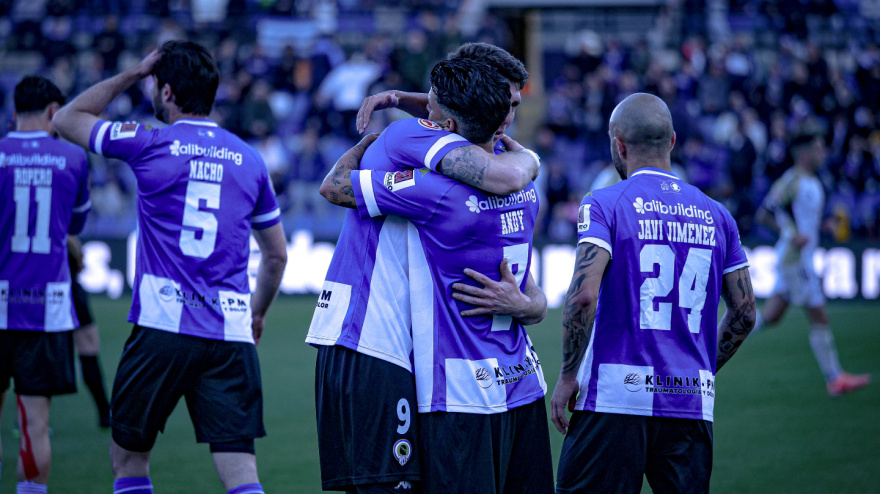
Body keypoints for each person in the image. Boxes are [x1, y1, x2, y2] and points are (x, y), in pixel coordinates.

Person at [52, 41, 288, 494]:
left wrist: (131, 74)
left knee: (129, 459)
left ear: (165, 91)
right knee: (240, 472)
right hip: (230, 334)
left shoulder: (150, 141)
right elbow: (276, 256)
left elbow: (65, 119)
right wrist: (256, 314)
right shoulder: (250, 159)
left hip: (162, 327)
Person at [307, 50, 543, 493]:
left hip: (407, 352)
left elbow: (333, 186)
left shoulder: (420, 162)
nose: (511, 115)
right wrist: (531, 160)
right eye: (507, 103)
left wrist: (364, 147)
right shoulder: (523, 189)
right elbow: (535, 293)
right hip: (395, 346)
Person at [550, 93, 757, 494]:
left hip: (615, 398)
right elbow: (745, 313)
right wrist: (699, 370)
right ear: (673, 142)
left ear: (619, 143)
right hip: (691, 403)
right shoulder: (717, 214)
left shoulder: (606, 203)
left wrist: (567, 376)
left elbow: (582, 298)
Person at [0, 75, 91, 494]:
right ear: (54, 111)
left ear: (15, 109)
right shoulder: (73, 158)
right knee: (35, 424)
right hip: (47, 308)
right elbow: (73, 226)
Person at [753, 134, 870, 396]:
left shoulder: (812, 183)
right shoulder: (792, 181)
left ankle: (710, 341)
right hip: (795, 260)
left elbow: (800, 220)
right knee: (819, 315)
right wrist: (790, 233)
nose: (824, 153)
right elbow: (764, 213)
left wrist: (821, 226)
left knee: (770, 317)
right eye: (819, 149)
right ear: (805, 154)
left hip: (800, 259)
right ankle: (835, 378)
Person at [67, 235, 111, 428]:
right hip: (66, 286)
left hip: (38, 286)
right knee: (88, 347)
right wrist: (77, 257)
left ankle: (25, 418)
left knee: (36, 350)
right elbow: (71, 241)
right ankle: (104, 413)